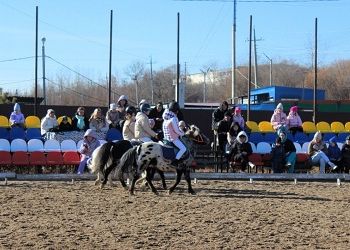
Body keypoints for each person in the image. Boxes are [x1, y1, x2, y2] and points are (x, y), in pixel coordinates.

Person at [162, 101, 186, 166]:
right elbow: (177, 131)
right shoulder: (174, 119)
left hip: (166, 137)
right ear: (176, 110)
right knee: (183, 149)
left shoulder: (165, 116)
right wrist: (183, 133)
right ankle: (175, 161)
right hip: (173, 138)